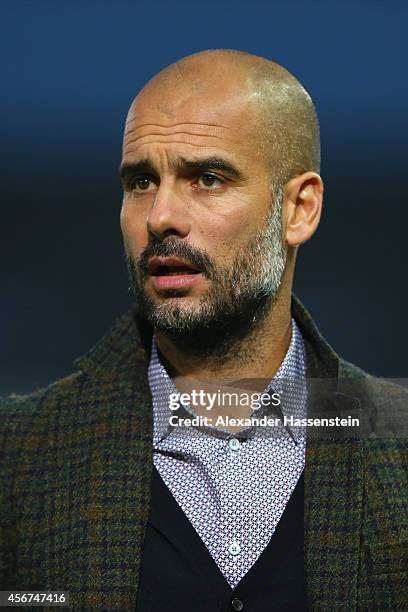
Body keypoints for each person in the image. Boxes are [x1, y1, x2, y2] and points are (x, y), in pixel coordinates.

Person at [0, 49, 407, 611]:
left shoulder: (398, 449)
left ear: (299, 209)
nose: (161, 215)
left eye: (208, 178)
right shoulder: (17, 456)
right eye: (141, 181)